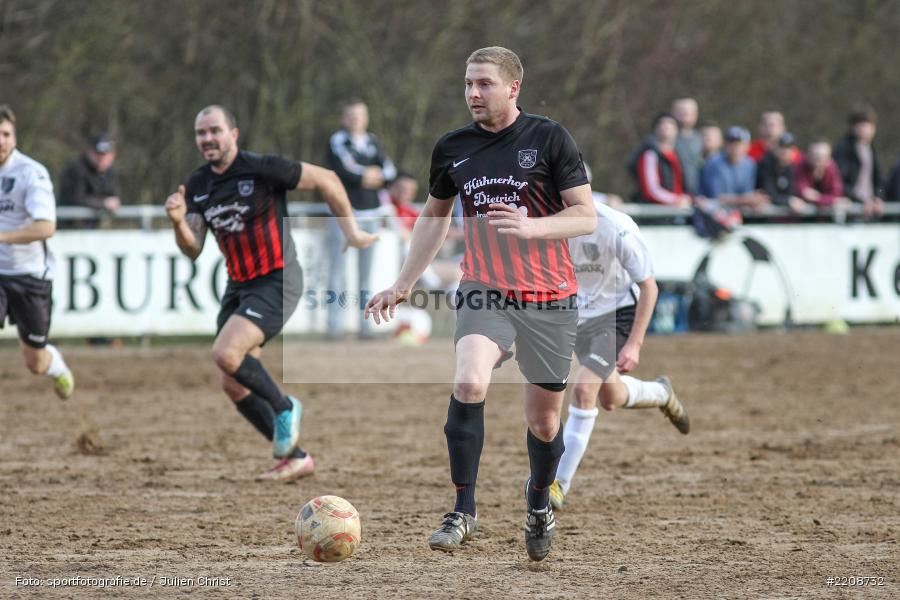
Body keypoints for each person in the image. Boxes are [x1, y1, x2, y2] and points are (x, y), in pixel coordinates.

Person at [365, 47, 596, 561]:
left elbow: (585, 216)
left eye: (484, 84)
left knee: (544, 423)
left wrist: (531, 225)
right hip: (484, 287)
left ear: (513, 87)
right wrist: (403, 283)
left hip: (549, 296)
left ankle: (539, 502)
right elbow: (433, 217)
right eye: (469, 83)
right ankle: (462, 510)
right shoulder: (453, 147)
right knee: (469, 380)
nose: (473, 93)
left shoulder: (549, 138)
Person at [165, 105, 376, 482]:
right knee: (231, 381)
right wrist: (179, 222)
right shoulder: (198, 184)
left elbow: (328, 178)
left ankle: (284, 406)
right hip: (239, 286)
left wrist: (352, 231)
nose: (208, 139)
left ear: (234, 134)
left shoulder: (262, 168)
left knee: (225, 353)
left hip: (277, 280)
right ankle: (296, 457)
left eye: (215, 130)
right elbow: (193, 247)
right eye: (201, 133)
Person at [548, 198, 690, 510]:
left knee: (584, 391)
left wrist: (634, 344)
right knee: (610, 398)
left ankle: (558, 484)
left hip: (616, 315)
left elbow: (649, 288)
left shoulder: (617, 227)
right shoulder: (547, 222)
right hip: (577, 317)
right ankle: (660, 393)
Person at [0, 105, 75, 400]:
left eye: (6, 134)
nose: (1, 140)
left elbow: (46, 227)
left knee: (36, 361)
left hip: (30, 276)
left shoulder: (31, 173)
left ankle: (56, 366)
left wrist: (3, 237)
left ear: (14, 138)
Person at [326, 100, 396, 339]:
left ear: (366, 118)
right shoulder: (337, 141)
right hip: (344, 215)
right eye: (351, 115)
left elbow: (389, 173)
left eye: (360, 115)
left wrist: (369, 176)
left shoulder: (372, 141)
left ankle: (364, 326)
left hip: (371, 214)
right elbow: (346, 172)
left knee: (365, 274)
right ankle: (334, 327)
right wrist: (368, 175)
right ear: (343, 118)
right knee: (337, 272)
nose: (356, 120)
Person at [700, 126, 770, 213]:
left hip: (738, 214)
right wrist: (747, 200)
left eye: (739, 143)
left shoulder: (750, 164)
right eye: (731, 143)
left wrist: (754, 200)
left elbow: (747, 194)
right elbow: (717, 198)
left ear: (747, 146)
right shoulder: (714, 163)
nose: (735, 147)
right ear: (725, 144)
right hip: (714, 215)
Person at [832, 106, 886, 219]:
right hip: (852, 206)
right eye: (860, 125)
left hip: (870, 207)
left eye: (867, 125)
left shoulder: (871, 148)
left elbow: (879, 179)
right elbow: (839, 181)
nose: (864, 129)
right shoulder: (844, 148)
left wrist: (878, 197)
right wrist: (860, 201)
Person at [58, 133, 122, 227]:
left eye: (105, 154)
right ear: (89, 152)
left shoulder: (110, 173)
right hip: (67, 227)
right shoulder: (76, 169)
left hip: (91, 228)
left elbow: (115, 195)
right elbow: (76, 199)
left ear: (113, 155)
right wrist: (104, 203)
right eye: (98, 153)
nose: (101, 158)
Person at [630, 112, 691, 206]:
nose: (666, 127)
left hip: (678, 212)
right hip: (657, 213)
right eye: (662, 124)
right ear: (655, 129)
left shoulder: (680, 156)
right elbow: (651, 190)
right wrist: (676, 200)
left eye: (670, 124)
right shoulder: (649, 154)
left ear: (677, 130)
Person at [756, 132, 807, 214]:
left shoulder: (794, 167)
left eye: (789, 148)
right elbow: (768, 194)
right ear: (775, 148)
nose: (785, 151)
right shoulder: (765, 164)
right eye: (782, 147)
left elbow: (793, 191)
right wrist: (788, 200)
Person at [793, 140, 850, 210]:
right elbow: (802, 193)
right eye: (815, 156)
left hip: (827, 217)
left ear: (829, 157)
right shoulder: (800, 167)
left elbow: (836, 194)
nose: (819, 160)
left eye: (823, 156)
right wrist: (831, 200)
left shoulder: (832, 168)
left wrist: (818, 198)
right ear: (808, 156)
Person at [672, 98, 703, 195]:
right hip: (673, 197)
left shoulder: (701, 140)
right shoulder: (664, 140)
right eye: (681, 113)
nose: (684, 117)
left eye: (688, 113)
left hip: (697, 195)